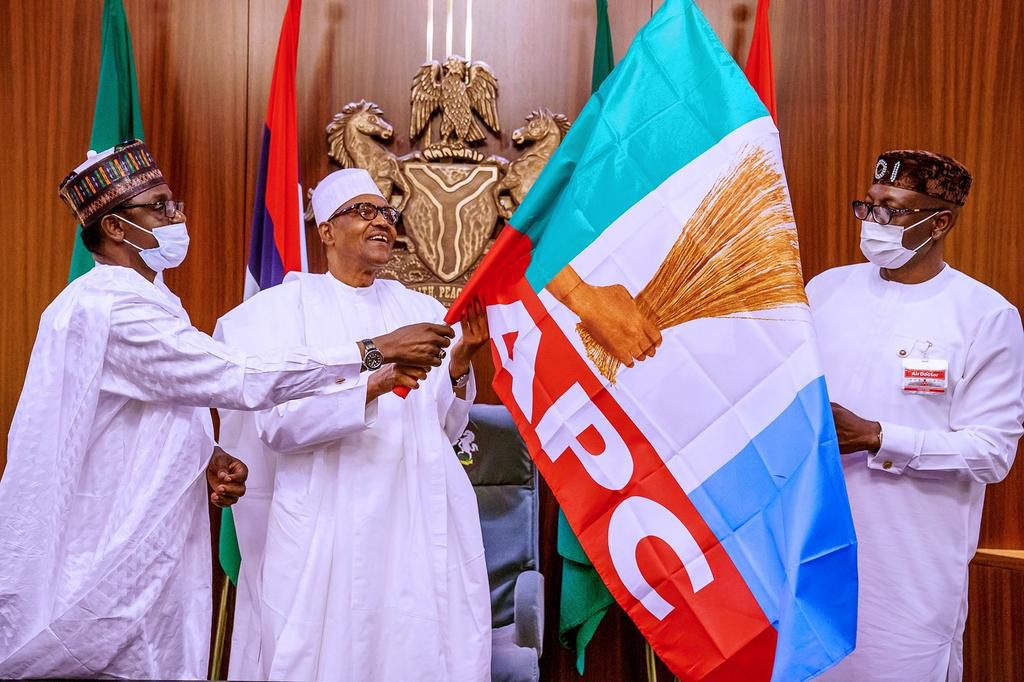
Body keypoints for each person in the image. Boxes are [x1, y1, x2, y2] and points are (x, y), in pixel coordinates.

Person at [0, 142, 452, 679]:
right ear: (118, 229)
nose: (178, 216)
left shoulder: (152, 300)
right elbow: (240, 375)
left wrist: (208, 452)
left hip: (152, 530)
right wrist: (375, 351)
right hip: (106, 546)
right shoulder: (110, 308)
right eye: (161, 207)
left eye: (175, 204)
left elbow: (155, 406)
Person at [215, 168, 492, 681]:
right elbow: (279, 427)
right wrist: (375, 383)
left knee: (416, 648)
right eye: (363, 211)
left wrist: (460, 362)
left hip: (415, 509)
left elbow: (444, 428)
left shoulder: (422, 309)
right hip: (328, 516)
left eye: (385, 212)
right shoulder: (280, 312)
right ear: (325, 231)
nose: (381, 221)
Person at [808, 149, 1024, 681]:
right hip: (814, 550)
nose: (874, 223)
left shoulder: (985, 316)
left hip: (909, 571)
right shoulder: (825, 290)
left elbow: (993, 453)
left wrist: (880, 437)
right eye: (869, 206)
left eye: (893, 211)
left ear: (940, 222)